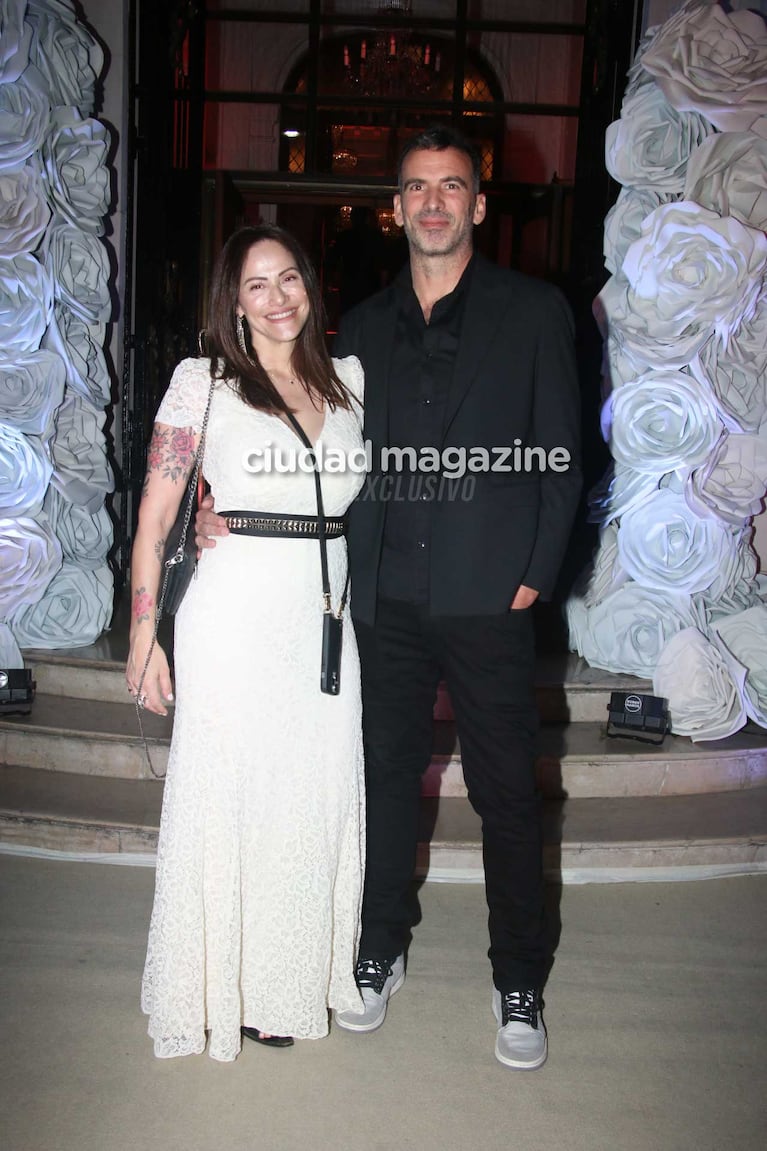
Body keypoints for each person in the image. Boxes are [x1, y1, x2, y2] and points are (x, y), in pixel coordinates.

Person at [196, 126, 582, 1070]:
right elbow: (299, 444)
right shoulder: (358, 328)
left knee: (505, 795)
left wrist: (534, 569)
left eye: (453, 187)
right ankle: (380, 944)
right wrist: (220, 506)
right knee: (381, 783)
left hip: (491, 598)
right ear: (397, 207)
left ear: (479, 206)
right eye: (418, 188)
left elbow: (563, 453)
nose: (436, 203)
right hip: (380, 602)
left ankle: (517, 975)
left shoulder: (533, 312)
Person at [125, 224, 366, 1061]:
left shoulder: (349, 383)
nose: (277, 297)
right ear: (234, 299)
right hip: (232, 620)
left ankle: (282, 985)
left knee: (309, 803)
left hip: (322, 624)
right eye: (257, 283)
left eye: (289, 277)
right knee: (232, 798)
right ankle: (216, 989)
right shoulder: (204, 382)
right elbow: (156, 515)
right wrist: (144, 635)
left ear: (309, 286)